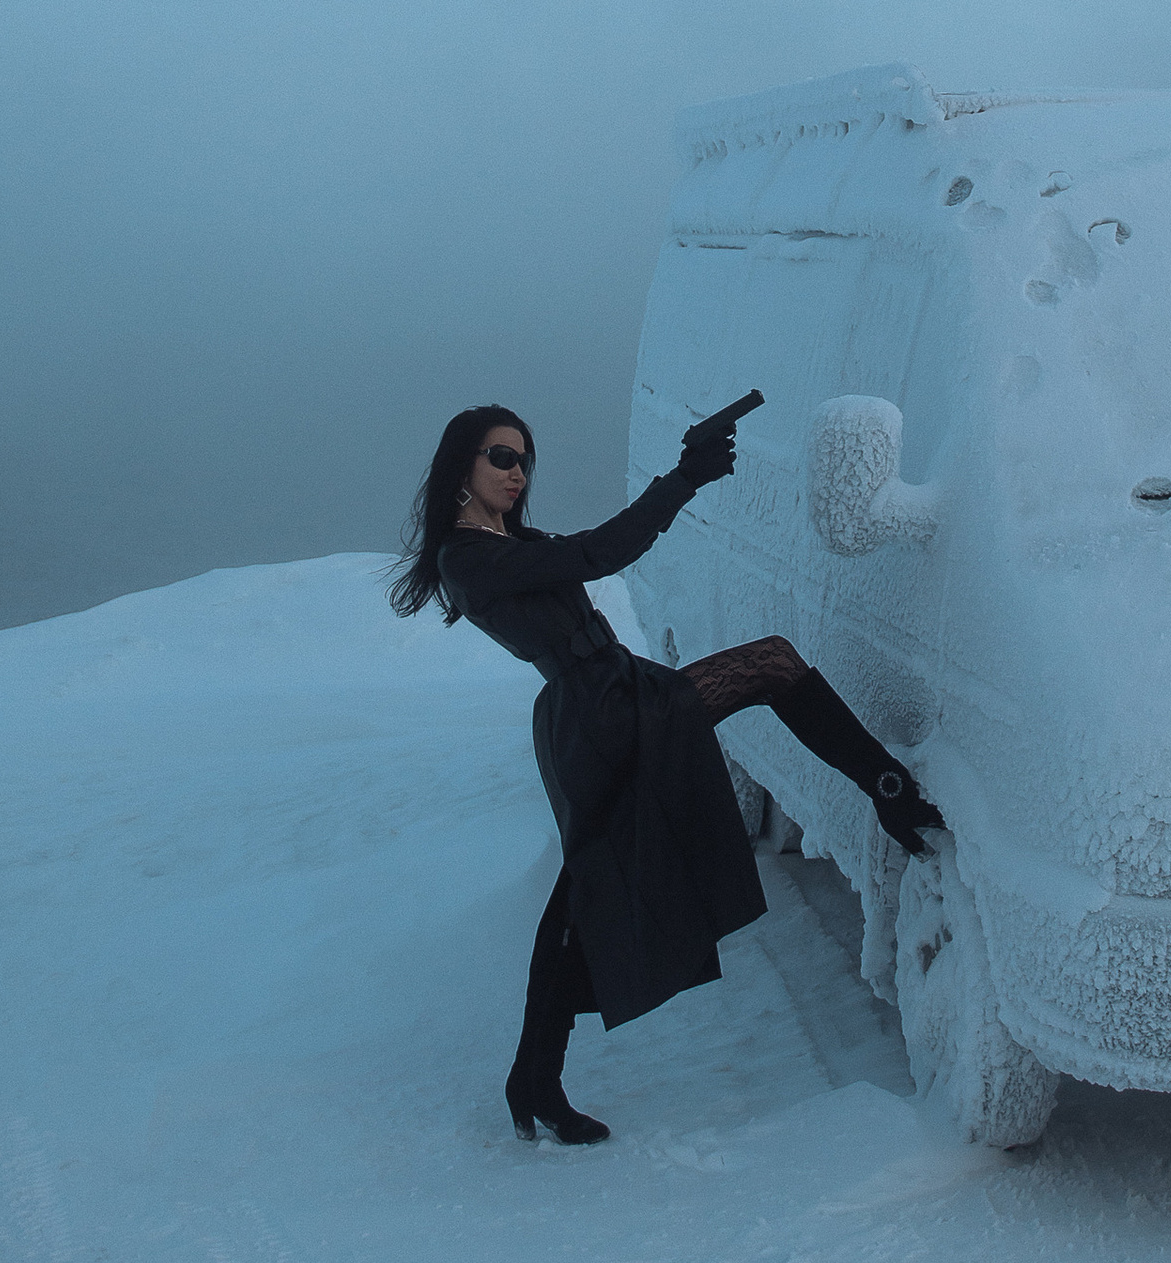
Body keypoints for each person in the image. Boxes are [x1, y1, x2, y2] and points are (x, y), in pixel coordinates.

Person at [391, 402, 947, 1144]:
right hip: (602, 714)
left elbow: (582, 557)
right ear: (462, 462)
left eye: (524, 457)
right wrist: (683, 478)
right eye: (500, 455)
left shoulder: (509, 544)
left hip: (614, 696)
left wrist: (684, 478)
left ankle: (534, 1080)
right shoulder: (466, 557)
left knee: (581, 898)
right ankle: (891, 791)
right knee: (772, 664)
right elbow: (597, 553)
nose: (517, 470)